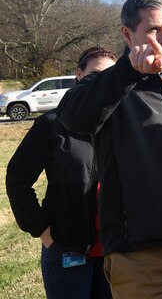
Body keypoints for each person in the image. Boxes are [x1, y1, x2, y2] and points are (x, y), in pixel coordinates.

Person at [57, 0, 162, 299]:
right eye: (152, 30)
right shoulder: (111, 84)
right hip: (140, 259)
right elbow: (72, 117)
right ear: (127, 34)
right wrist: (128, 73)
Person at [6, 47, 117, 299]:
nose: (100, 83)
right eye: (94, 74)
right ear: (78, 74)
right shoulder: (52, 123)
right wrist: (43, 231)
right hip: (67, 250)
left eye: (108, 77)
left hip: (115, 252)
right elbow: (17, 179)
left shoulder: (120, 125)